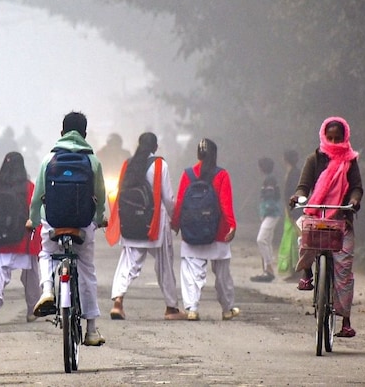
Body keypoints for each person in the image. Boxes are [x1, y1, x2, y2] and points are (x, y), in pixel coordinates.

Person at [26, 111, 108, 346]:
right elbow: (100, 196)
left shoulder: (49, 159)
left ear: (61, 133)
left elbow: (36, 197)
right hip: (83, 224)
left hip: (52, 222)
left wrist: (33, 219)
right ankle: (91, 330)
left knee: (47, 254)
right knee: (87, 269)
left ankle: (47, 291)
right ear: (84, 134)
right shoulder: (92, 161)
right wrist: (99, 217)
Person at [289, 117, 362, 338]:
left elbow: (357, 188)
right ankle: (307, 273)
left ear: (344, 138)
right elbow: (303, 187)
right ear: (323, 136)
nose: (332, 141)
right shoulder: (314, 159)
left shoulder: (351, 161)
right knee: (303, 235)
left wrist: (355, 201)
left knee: (344, 271)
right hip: (316, 216)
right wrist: (299, 197)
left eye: (337, 138)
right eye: (329, 137)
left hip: (341, 221)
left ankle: (345, 320)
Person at [109, 132, 185, 321]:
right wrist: (175, 220)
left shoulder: (129, 164)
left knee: (128, 263)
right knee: (165, 265)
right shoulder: (160, 165)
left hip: (130, 223)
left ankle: (118, 301)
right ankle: (171, 308)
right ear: (155, 147)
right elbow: (167, 198)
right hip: (154, 225)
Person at [171, 138, 238, 321]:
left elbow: (180, 202)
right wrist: (232, 225)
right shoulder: (222, 174)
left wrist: (176, 223)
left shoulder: (188, 174)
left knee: (192, 272)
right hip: (218, 232)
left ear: (197, 154)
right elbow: (226, 203)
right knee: (223, 275)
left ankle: (192, 309)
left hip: (192, 230)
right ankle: (227, 309)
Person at [0, 151, 41, 325]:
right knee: (31, 276)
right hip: (23, 240)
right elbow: (36, 211)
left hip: (1, 241)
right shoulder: (29, 187)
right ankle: (32, 310)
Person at [251, 157, 280, 282]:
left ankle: (269, 268)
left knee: (261, 239)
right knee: (267, 241)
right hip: (271, 213)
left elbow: (270, 197)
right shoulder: (269, 178)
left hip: (271, 213)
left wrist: (265, 211)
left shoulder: (269, 180)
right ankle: (266, 271)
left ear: (262, 167)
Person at [277, 149, 301, 278]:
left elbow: (293, 193)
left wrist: (292, 212)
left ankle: (297, 269)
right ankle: (292, 269)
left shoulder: (295, 174)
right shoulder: (292, 172)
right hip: (290, 211)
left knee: (294, 240)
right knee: (290, 240)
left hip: (294, 211)